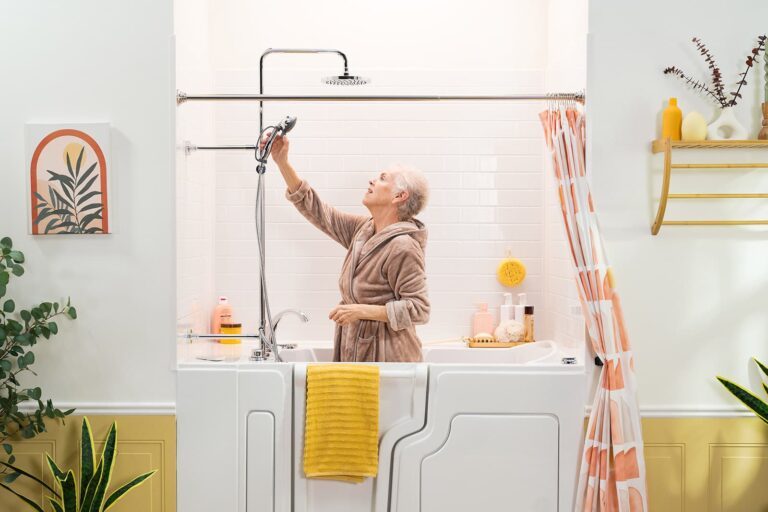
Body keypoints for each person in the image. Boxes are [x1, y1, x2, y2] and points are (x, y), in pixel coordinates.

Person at [262, 133, 430, 362]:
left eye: (382, 178)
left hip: (392, 361)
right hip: (359, 352)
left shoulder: (403, 246)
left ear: (400, 196)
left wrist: (361, 310)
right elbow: (320, 212)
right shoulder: (364, 230)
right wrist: (282, 162)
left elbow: (419, 309)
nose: (372, 181)